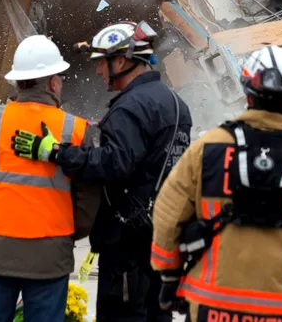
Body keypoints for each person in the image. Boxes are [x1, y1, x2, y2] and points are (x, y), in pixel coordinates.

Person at [150, 45, 282, 321]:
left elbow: (168, 218)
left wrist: (169, 276)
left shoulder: (208, 150)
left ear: (246, 92)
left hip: (211, 304)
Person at [10, 21, 191, 322]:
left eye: (102, 63)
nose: (98, 72)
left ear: (120, 61)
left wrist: (54, 151)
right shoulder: (175, 104)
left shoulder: (130, 108)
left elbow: (112, 164)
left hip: (126, 247)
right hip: (162, 240)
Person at [0, 35, 101, 322]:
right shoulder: (76, 129)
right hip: (49, 258)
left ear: (18, 81)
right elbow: (88, 197)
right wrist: (71, 234)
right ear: (53, 83)